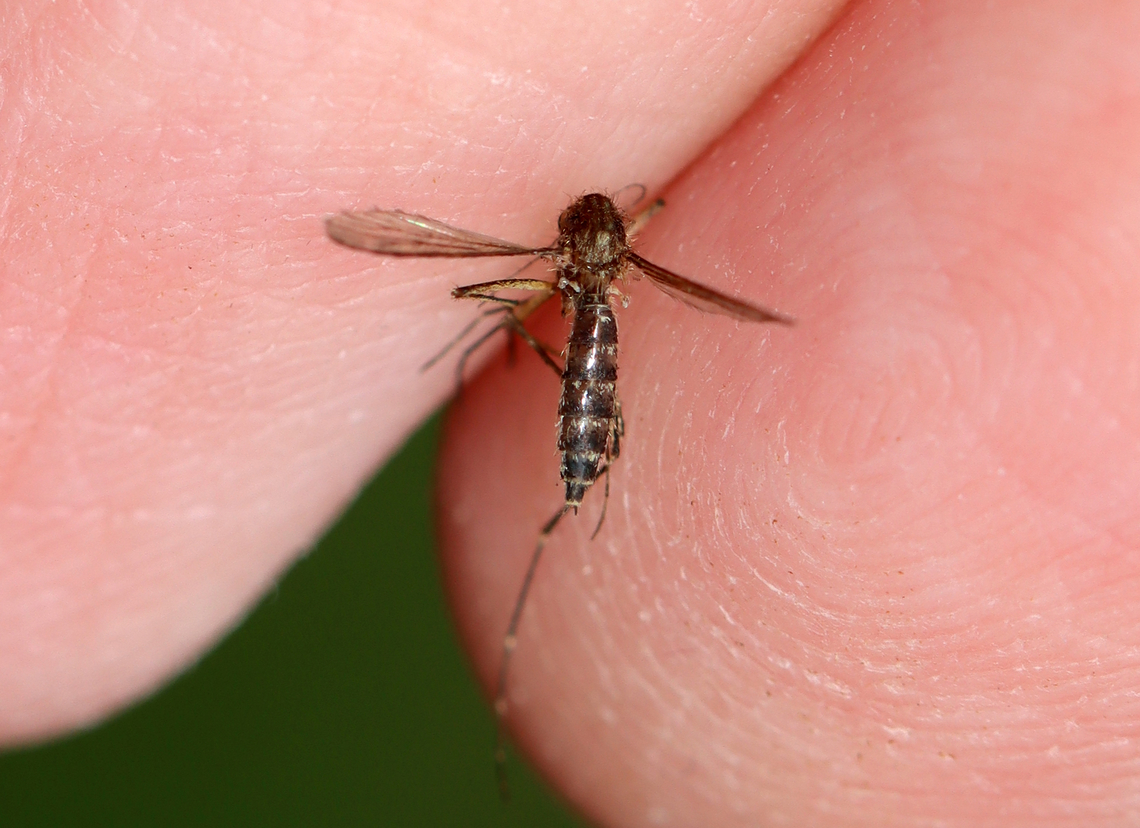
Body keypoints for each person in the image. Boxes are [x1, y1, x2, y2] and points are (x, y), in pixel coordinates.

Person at [2, 0, 1136, 824]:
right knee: (536, 337)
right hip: (575, 331)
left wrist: (527, 299)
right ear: (614, 243)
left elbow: (517, 267)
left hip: (563, 334)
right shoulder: (619, 256)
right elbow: (591, 231)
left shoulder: (571, 264)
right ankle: (575, 468)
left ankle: (573, 469)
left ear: (585, 238)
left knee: (530, 334)